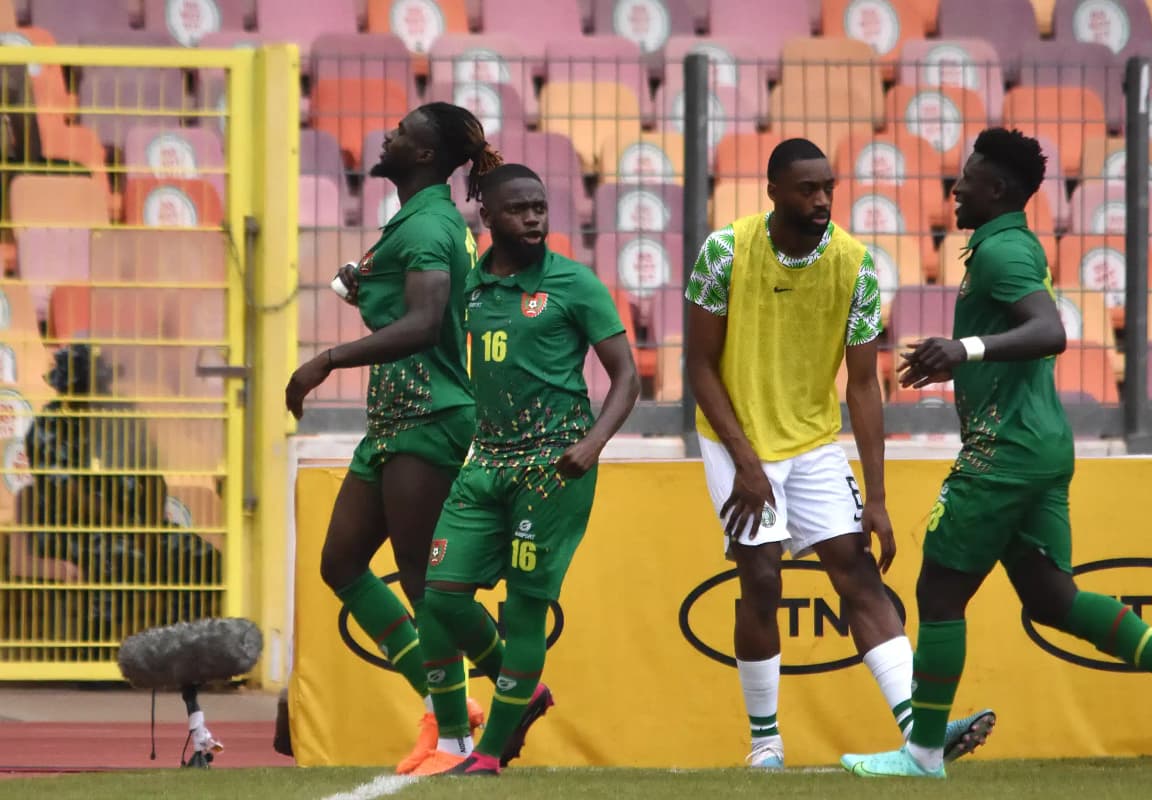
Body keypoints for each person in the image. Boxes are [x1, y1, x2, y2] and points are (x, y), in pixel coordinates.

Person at [841, 128, 1152, 779]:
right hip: (1039, 445)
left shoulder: (1002, 251)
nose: (956, 187)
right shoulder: (1009, 245)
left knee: (939, 590)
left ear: (998, 188)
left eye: (969, 177)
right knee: (1052, 599)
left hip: (1003, 451)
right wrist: (962, 358)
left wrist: (964, 349)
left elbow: (1051, 331)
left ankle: (923, 753)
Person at [685, 137, 995, 770]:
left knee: (857, 571)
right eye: (807, 189)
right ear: (773, 191)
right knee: (762, 578)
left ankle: (922, 734)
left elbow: (862, 386)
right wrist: (746, 463)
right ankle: (766, 745)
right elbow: (699, 366)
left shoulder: (855, 264)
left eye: (828, 187)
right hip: (735, 439)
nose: (822, 199)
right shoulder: (724, 251)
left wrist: (876, 498)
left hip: (813, 441)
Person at [283, 102, 503, 773]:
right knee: (341, 563)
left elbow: (426, 322)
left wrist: (327, 360)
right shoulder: (416, 220)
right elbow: (414, 312)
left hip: (430, 416)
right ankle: (447, 706)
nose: (389, 135)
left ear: (427, 155)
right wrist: (368, 293)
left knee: (423, 581)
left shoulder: (431, 224)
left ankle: (457, 739)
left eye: (404, 132)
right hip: (393, 419)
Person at [406, 164, 640, 777]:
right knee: (442, 597)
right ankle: (523, 690)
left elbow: (627, 376)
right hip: (484, 461)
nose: (534, 218)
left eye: (539, 207)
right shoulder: (469, 286)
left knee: (525, 607)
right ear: (486, 215)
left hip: (552, 468)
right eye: (519, 209)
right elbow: (416, 317)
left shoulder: (574, 282)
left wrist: (593, 444)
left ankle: (488, 754)